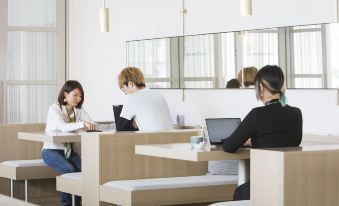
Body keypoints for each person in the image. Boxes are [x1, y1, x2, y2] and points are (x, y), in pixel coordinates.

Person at [223, 65, 303, 200]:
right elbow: (292, 141)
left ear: (260, 88)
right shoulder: (296, 113)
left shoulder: (257, 114)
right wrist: (256, 141)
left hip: (265, 183)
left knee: (241, 192)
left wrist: (251, 141)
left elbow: (229, 146)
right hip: (290, 181)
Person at [42, 80, 96, 206]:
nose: (78, 98)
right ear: (65, 95)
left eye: (80, 96)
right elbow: (62, 127)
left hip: (69, 151)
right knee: (69, 169)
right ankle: (67, 204)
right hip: (51, 151)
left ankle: (76, 203)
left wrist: (89, 124)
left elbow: (92, 123)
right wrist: (83, 124)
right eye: (75, 95)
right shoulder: (54, 108)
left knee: (85, 170)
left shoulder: (78, 110)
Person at [116, 67, 173, 131]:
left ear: (130, 84)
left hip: (153, 140)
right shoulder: (158, 95)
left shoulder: (132, 97)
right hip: (173, 139)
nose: (125, 93)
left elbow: (120, 128)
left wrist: (133, 125)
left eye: (123, 89)